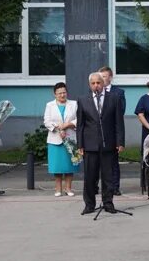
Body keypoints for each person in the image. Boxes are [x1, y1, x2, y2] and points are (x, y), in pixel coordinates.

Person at [77, 72, 125, 215]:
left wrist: (120, 141)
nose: (96, 86)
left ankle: (108, 203)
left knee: (108, 176)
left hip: (109, 143)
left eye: (98, 83)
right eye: (93, 83)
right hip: (90, 144)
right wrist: (80, 145)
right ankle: (89, 204)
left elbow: (118, 122)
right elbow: (80, 124)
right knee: (90, 177)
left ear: (103, 83)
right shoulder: (82, 100)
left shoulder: (114, 98)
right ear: (89, 85)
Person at [43, 82, 79, 197]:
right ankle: (58, 189)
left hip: (71, 138)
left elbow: (79, 119)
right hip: (55, 140)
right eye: (59, 93)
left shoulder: (74, 104)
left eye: (64, 92)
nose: (62, 95)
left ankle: (68, 188)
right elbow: (47, 121)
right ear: (55, 94)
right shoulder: (50, 105)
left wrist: (68, 124)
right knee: (57, 166)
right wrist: (58, 129)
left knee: (70, 165)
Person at [99, 66, 126, 196]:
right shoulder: (95, 91)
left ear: (110, 77)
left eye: (104, 76)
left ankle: (115, 187)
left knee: (113, 162)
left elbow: (120, 114)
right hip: (98, 132)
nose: (101, 79)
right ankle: (97, 186)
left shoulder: (119, 93)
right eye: (100, 77)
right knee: (97, 161)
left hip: (113, 131)